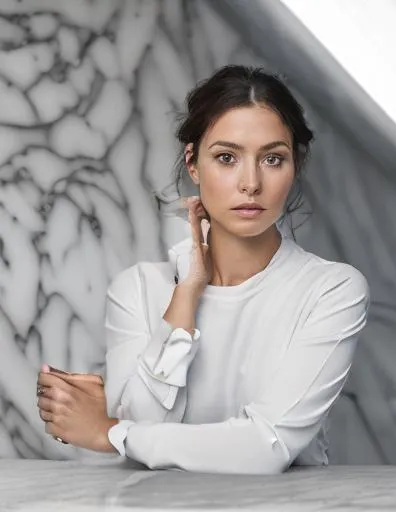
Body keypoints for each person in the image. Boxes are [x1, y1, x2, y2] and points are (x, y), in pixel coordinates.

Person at [36, 65, 370, 475]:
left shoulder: (331, 290)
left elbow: (268, 446)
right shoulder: (138, 289)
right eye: (227, 157)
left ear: (295, 166)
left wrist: (110, 432)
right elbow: (144, 436)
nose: (250, 183)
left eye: (273, 158)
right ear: (193, 164)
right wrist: (187, 295)